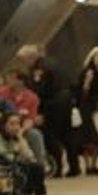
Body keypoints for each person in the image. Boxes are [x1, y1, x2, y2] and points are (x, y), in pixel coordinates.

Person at [17, 44, 72, 177]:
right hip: (65, 102)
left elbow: (39, 91)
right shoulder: (53, 62)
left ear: (30, 58)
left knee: (49, 135)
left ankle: (57, 169)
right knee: (65, 136)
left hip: (52, 105)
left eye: (23, 60)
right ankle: (73, 167)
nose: (22, 64)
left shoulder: (39, 69)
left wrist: (39, 112)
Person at [0, 112, 46, 195]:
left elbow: (29, 155)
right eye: (12, 123)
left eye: (18, 124)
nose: (16, 127)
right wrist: (21, 158)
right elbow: (3, 155)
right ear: (3, 125)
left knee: (37, 166)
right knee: (28, 167)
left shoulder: (13, 136)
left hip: (12, 164)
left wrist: (20, 136)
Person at [71, 46, 98, 176]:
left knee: (96, 137)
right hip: (87, 108)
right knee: (88, 137)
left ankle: (93, 165)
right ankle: (88, 165)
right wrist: (87, 83)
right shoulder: (89, 72)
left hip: (95, 108)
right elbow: (84, 91)